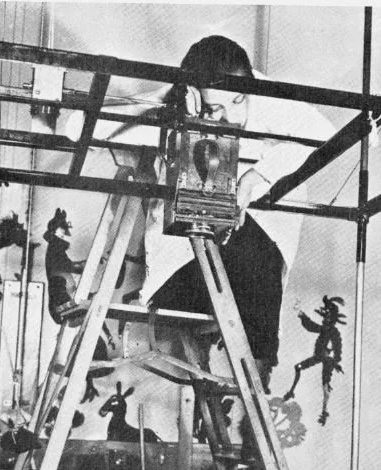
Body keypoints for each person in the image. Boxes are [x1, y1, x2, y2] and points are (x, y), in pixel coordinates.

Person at [139, 35, 336, 393]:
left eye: (239, 99)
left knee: (254, 249)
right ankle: (235, 372)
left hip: (250, 259)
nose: (231, 115)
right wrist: (187, 115)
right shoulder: (176, 99)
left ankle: (255, 385)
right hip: (185, 265)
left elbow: (325, 133)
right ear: (194, 94)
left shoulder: (265, 94)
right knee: (227, 251)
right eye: (217, 107)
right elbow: (79, 126)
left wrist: (253, 178)